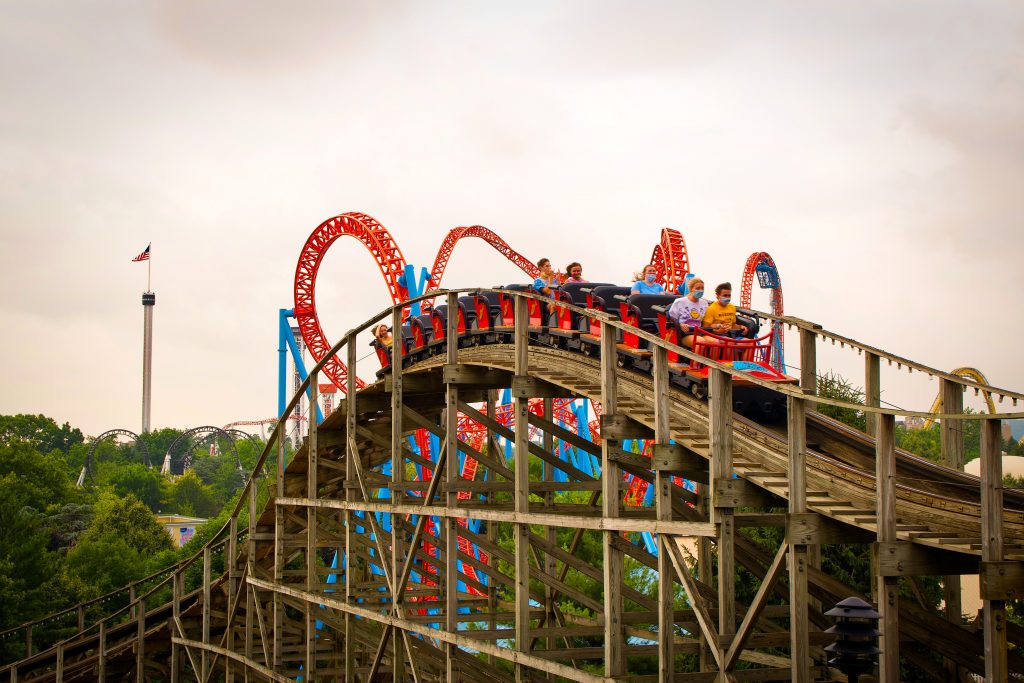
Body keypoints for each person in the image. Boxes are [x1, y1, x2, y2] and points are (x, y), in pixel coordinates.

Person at [667, 276, 710, 348]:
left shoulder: (704, 303)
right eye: (697, 288)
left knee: (715, 342)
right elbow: (671, 319)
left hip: (699, 332)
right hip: (684, 333)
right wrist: (680, 325)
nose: (700, 290)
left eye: (702, 288)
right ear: (691, 289)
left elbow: (706, 320)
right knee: (700, 342)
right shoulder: (680, 302)